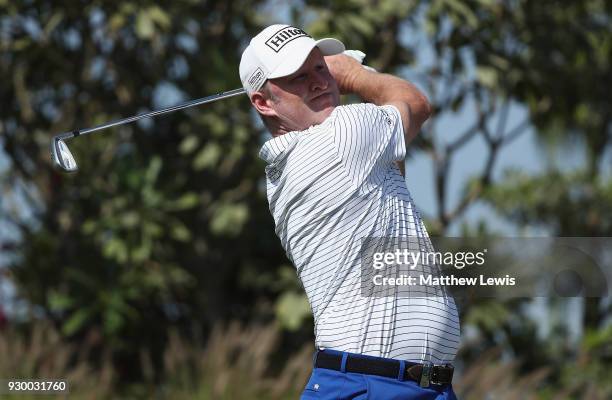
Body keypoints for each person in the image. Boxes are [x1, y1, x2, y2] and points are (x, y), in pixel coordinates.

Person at [239, 24, 460, 399]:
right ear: (263, 102)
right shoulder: (342, 135)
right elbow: (416, 103)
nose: (318, 82)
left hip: (412, 385)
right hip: (367, 385)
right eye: (298, 77)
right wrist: (356, 74)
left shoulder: (298, 163)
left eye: (320, 68)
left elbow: (394, 170)